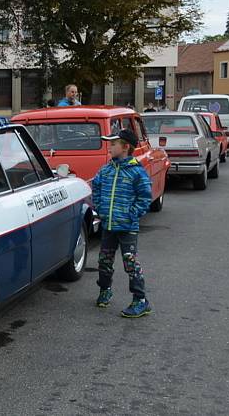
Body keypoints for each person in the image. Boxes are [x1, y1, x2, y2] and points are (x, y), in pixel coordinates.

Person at [92, 129, 152, 318]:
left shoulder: (136, 171)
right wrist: (101, 209)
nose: (109, 147)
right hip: (109, 226)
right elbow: (96, 188)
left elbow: (145, 197)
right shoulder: (106, 169)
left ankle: (140, 300)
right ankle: (105, 290)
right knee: (104, 260)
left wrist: (131, 214)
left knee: (130, 262)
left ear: (125, 147)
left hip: (127, 227)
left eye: (113, 144)